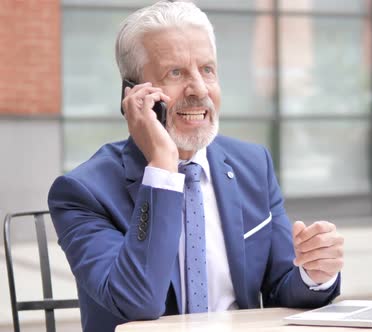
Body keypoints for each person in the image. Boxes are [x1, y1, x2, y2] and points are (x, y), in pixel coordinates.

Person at [47, 2, 343, 332]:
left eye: (207, 70)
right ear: (133, 94)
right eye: (176, 73)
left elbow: (281, 287)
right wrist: (163, 165)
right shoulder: (82, 192)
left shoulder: (253, 166)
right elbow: (136, 301)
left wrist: (314, 273)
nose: (199, 89)